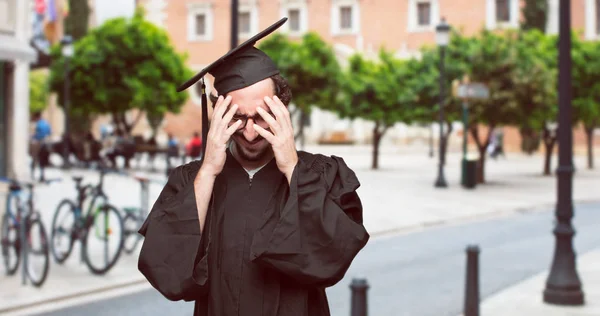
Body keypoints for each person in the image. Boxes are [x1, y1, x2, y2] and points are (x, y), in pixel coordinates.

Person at [137, 18, 369, 316]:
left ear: (281, 107)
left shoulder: (321, 174)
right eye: (236, 117)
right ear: (218, 112)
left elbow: (333, 256)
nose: (249, 132)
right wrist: (208, 170)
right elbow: (166, 271)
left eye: (260, 116)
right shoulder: (192, 181)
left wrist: (292, 168)